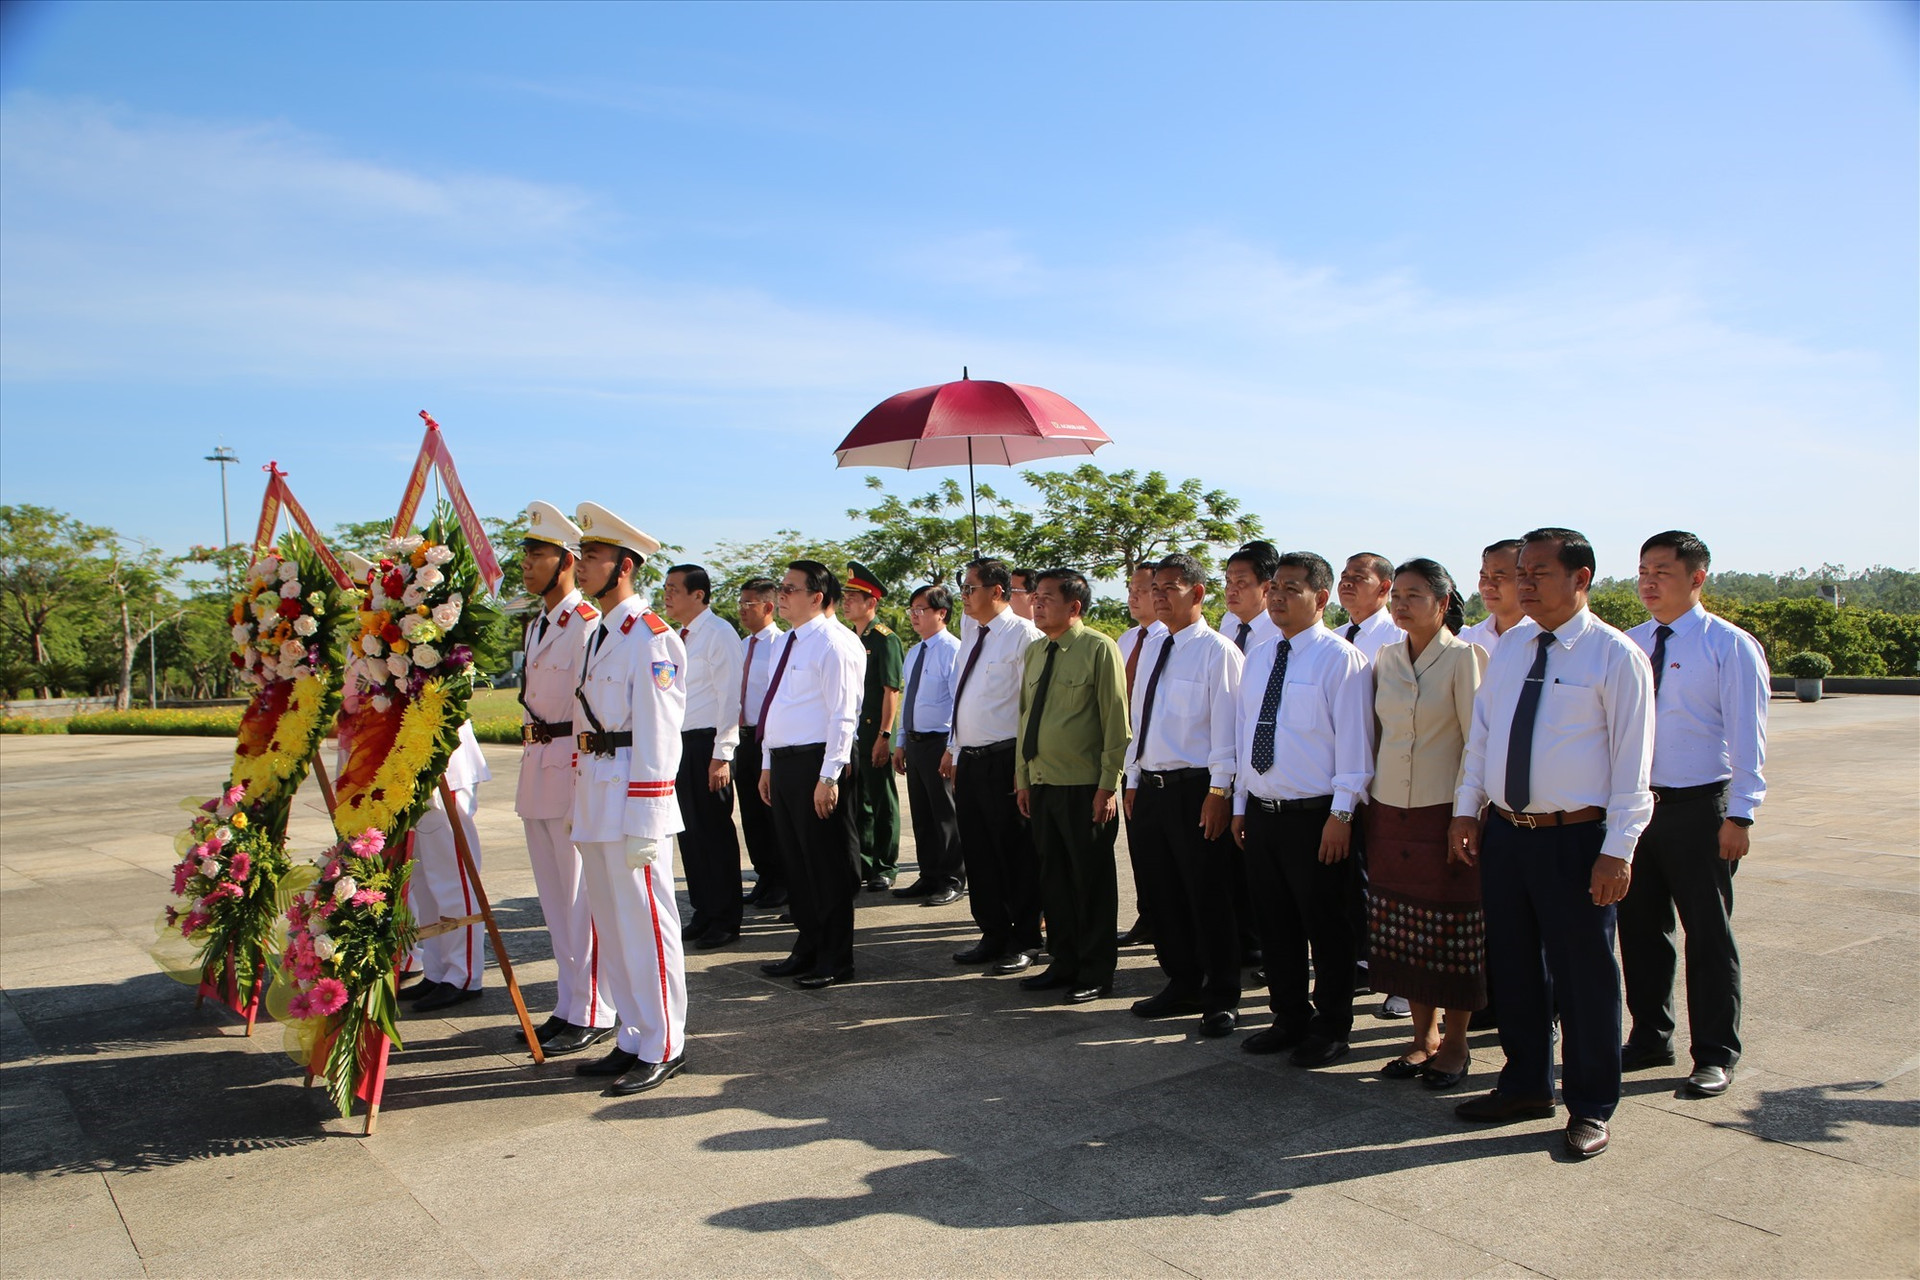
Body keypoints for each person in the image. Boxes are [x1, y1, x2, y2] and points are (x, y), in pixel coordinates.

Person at [1450, 527, 1654, 1159]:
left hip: (1577, 839)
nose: (1525, 583)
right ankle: (1525, 1084)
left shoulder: (1614, 657)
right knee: (1513, 968)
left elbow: (1632, 763)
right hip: (1509, 834)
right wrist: (1466, 810)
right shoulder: (1510, 647)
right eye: (1520, 572)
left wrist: (1618, 849)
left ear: (1582, 578)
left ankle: (1590, 1104)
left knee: (1585, 975)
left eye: (1539, 572)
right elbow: (1482, 737)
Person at [1620, 530, 1768, 1099]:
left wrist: (1742, 815)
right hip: (1638, 808)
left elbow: (1747, 737)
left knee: (1707, 932)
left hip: (1701, 807)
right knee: (1639, 928)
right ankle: (1650, 1035)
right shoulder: (1629, 644)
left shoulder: (1727, 645)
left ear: (1697, 577)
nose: (1649, 582)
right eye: (1643, 571)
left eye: (1662, 571)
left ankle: (1714, 1052)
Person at [1231, 552, 1374, 1068]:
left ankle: (1332, 1026)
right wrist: (1241, 803)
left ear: (1321, 597)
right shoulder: (1262, 655)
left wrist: (1341, 815)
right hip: (1264, 814)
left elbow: (1356, 746)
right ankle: (1287, 1017)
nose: (1277, 597)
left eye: (1292, 588)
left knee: (1328, 927)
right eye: (1275, 588)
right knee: (1276, 924)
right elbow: (1248, 732)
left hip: (1317, 817)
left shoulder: (1341, 659)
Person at [568, 502, 689, 1096]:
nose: (581, 564)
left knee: (646, 921)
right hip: (596, 793)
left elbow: (661, 733)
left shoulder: (650, 637)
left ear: (624, 566)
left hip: (632, 799)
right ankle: (632, 1033)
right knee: (613, 924)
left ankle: (664, 1042)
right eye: (582, 554)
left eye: (592, 556)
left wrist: (649, 812)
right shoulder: (599, 631)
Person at [1367, 558, 1487, 1089]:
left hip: (1445, 813)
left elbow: (1475, 742)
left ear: (1442, 604)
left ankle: (1457, 1042)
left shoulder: (1465, 658)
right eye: (1397, 594)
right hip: (1390, 811)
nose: (1400, 603)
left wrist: (1466, 812)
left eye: (1414, 595)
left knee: (1451, 930)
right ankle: (1422, 1038)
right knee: (1404, 930)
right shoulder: (1385, 657)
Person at [1124, 554, 1245, 1036]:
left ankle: (1221, 995)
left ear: (1197, 593)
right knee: (1163, 892)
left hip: (1197, 788)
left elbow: (1227, 732)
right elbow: (1142, 721)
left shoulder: (1219, 652)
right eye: (1154, 587)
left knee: (1208, 895)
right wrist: (1132, 780)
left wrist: (1219, 792)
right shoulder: (1152, 646)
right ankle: (1182, 981)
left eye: (1169, 587)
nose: (1158, 596)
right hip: (1151, 786)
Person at [510, 502, 615, 1055]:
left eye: (538, 554)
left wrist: (583, 779)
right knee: (554, 901)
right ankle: (570, 1002)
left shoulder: (587, 625)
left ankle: (595, 1006)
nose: (527, 564)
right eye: (525, 554)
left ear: (567, 561)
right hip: (537, 772)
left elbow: (586, 711)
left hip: (570, 772)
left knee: (581, 899)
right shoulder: (538, 626)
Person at [1014, 568, 1131, 1004]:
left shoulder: (1099, 648)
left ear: (1074, 606)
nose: (1037, 604)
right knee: (1054, 880)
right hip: (1041, 783)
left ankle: (1097, 970)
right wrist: (1023, 776)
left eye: (1047, 597)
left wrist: (1108, 785)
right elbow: (1025, 717)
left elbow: (1116, 722)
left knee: (1091, 882)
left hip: (1084, 787)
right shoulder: (1034, 651)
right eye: (1035, 597)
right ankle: (1062, 962)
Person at [756, 560, 866, 989]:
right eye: (781, 588)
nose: (780, 595)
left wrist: (829, 776)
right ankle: (808, 945)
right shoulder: (787, 642)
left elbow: (844, 715)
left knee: (826, 863)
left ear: (816, 597)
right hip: (784, 763)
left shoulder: (836, 644)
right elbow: (775, 704)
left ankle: (836, 957)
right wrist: (767, 764)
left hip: (818, 763)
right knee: (797, 863)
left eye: (789, 589)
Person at [944, 557, 1045, 973]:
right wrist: (953, 746)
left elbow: (1030, 709)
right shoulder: (972, 633)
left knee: (1015, 854)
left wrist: (1025, 770)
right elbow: (963, 694)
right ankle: (992, 932)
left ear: (998, 592)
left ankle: (1024, 938)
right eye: (963, 588)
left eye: (970, 588)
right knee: (979, 853)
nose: (964, 596)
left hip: (1006, 760)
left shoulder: (1025, 637)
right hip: (970, 758)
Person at [660, 563, 744, 950]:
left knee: (713, 833)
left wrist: (722, 754)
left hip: (708, 744)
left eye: (675, 589)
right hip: (681, 743)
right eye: (666, 588)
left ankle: (725, 918)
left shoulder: (719, 632)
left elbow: (730, 696)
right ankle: (704, 910)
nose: (667, 595)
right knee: (689, 834)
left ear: (699, 594)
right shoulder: (678, 636)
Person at [406, 721, 493, 1012]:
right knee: (424, 878)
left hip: (445, 761)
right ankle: (437, 970)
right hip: (409, 762)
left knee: (453, 876)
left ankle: (463, 973)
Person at [891, 584, 965, 906]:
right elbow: (910, 701)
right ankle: (929, 874)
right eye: (912, 610)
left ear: (942, 613)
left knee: (945, 815)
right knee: (921, 815)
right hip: (917, 743)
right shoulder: (914, 652)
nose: (914, 616)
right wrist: (901, 742)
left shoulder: (953, 651)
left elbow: (958, 705)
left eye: (921, 609)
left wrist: (953, 749)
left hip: (940, 743)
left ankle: (952, 879)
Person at [1115, 560, 1168, 948]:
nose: (1133, 595)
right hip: (1129, 758)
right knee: (1140, 847)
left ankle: (1167, 922)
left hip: (1164, 761)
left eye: (1142, 589)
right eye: (1130, 588)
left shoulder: (1172, 639)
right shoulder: (1127, 639)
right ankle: (1148, 916)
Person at [842, 563, 904, 891]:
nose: (846, 602)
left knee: (882, 801)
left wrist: (885, 735)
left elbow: (890, 690)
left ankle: (885, 864)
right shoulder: (848, 638)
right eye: (846, 597)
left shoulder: (884, 640)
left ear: (872, 603)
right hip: (852, 734)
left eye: (854, 597)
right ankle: (864, 861)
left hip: (874, 732)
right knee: (858, 802)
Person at [735, 578, 787, 911]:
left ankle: (784, 881)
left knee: (772, 816)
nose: (741, 610)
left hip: (767, 740)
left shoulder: (781, 644)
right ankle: (764, 877)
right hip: (742, 739)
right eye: (740, 603)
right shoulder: (741, 645)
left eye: (748, 604)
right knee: (751, 815)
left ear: (768, 607)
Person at [1459, 539, 1526, 663]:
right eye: (1483, 577)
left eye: (1499, 577)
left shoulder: (1546, 638)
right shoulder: (1468, 641)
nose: (1488, 586)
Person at [1337, 553, 1406, 662]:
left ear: (1384, 587)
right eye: (1344, 577)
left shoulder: (1402, 637)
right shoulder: (1333, 637)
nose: (1346, 583)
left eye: (1358, 577)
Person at [1222, 541, 1282, 655]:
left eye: (1241, 582)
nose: (1231, 590)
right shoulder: (1225, 634)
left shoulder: (1280, 635)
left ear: (1266, 588)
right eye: (1229, 581)